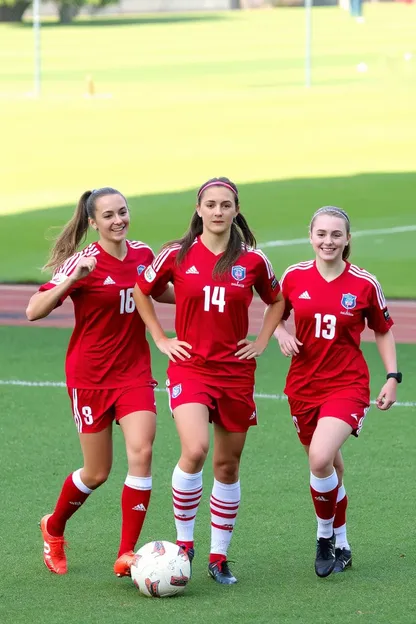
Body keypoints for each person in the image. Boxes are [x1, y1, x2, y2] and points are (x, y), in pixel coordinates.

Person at [133, 177, 285, 585]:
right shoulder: (176, 254)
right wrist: (161, 338)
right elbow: (141, 289)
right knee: (196, 448)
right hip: (190, 367)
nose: (218, 211)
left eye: (226, 205)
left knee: (227, 466)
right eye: (211, 204)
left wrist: (263, 340)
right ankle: (185, 544)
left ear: (236, 210)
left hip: (236, 372)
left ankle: (219, 557)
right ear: (198, 210)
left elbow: (277, 299)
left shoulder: (253, 260)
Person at [26, 187, 173, 577]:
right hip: (89, 378)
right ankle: (53, 527)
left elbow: (161, 292)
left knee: (142, 452)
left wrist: (207, 294)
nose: (118, 220)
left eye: (122, 212)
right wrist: (71, 280)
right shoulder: (83, 261)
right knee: (97, 472)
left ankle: (126, 554)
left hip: (134, 373)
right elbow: (32, 311)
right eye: (107, 215)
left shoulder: (143, 254)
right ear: (93, 222)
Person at [274, 206, 401, 578]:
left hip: (346, 384)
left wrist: (392, 376)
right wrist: (282, 332)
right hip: (302, 385)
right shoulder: (294, 277)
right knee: (330, 467)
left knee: (319, 458)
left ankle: (324, 537)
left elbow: (382, 329)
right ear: (310, 235)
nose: (328, 241)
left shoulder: (363, 283)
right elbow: (276, 313)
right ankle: (343, 544)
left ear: (347, 239)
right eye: (322, 234)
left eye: (336, 235)